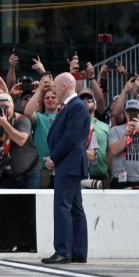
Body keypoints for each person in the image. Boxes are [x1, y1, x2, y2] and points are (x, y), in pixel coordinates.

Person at [43, 73, 90, 264]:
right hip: (70, 163)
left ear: (63, 86)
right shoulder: (73, 107)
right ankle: (77, 251)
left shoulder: (76, 106)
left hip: (68, 163)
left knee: (62, 206)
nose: (54, 91)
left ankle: (63, 250)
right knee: (75, 208)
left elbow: (70, 137)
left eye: (55, 87)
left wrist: (54, 157)